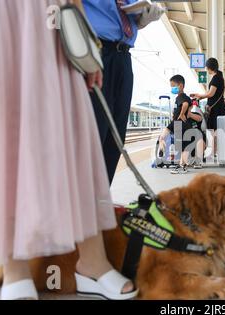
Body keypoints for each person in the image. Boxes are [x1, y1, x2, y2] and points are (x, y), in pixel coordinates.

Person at [0, 0, 135, 300]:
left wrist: (85, 40)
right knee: (4, 128)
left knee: (75, 135)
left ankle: (91, 260)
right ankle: (15, 267)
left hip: (50, 13)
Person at [84, 0, 164, 184]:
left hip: (124, 56)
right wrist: (85, 48)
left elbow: (131, 21)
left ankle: (100, 201)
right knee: (93, 137)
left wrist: (145, 18)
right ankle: (80, 205)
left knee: (114, 140)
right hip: (95, 49)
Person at [190, 58, 225, 157]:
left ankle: (212, 152)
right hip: (218, 108)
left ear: (209, 68)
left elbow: (211, 94)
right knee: (216, 131)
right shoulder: (220, 77)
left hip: (216, 109)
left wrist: (199, 95)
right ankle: (214, 152)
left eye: (206, 67)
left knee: (213, 131)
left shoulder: (216, 78)